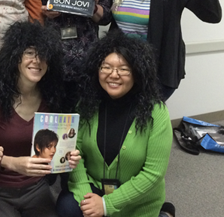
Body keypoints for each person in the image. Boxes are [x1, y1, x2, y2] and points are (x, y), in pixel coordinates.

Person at [60, 32, 173, 217]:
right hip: (95, 191)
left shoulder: (156, 111)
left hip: (136, 201)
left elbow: (154, 173)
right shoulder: (87, 105)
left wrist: (107, 204)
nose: (113, 75)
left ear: (137, 73)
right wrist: (86, 196)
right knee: (66, 207)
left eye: (124, 69)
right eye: (106, 67)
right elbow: (74, 153)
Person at [0, 21, 79, 217]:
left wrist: (66, 158)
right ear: (15, 57)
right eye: (29, 53)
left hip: (35, 188)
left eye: (43, 55)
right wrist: (11, 163)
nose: (37, 61)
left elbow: (51, 153)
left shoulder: (52, 98)